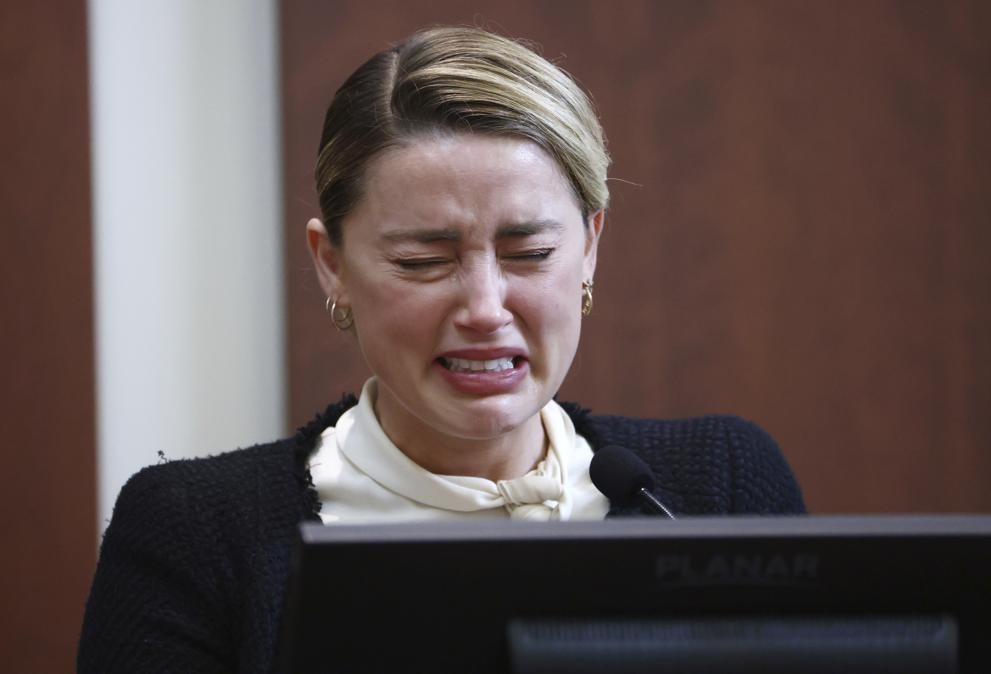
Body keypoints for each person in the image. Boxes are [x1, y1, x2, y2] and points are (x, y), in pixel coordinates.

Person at [78, 25, 805, 674]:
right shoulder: (194, 534)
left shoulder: (720, 489)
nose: (485, 309)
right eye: (422, 262)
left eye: (530, 253)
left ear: (589, 247)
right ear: (332, 265)